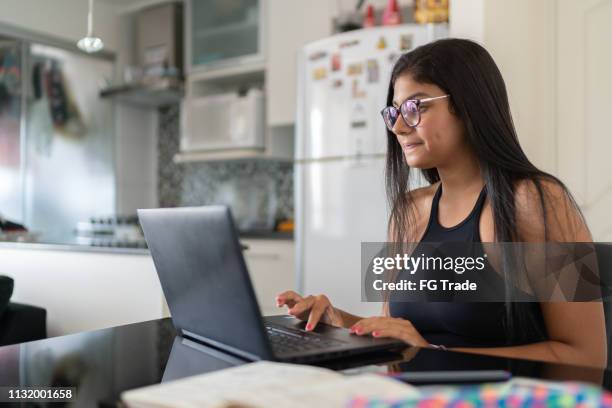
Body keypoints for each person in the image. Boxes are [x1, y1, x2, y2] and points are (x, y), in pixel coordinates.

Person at [277, 38, 607, 368]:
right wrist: (337, 321)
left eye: (415, 107)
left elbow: (586, 359)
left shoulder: (537, 201)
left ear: (468, 104)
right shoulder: (408, 211)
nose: (398, 127)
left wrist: (433, 355)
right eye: (394, 111)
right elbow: (395, 334)